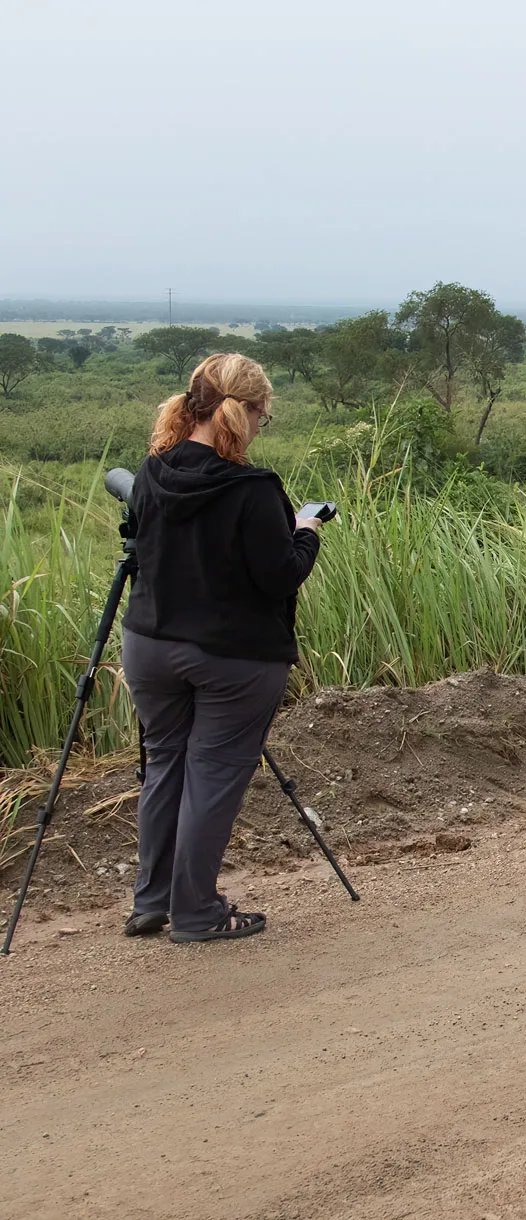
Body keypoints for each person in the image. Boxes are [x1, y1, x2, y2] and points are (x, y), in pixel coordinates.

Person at [121, 353, 324, 943]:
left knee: (165, 766)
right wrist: (306, 533)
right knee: (211, 776)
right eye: (263, 415)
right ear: (247, 412)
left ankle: (152, 902)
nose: (262, 425)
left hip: (150, 645)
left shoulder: (152, 472)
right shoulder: (254, 489)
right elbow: (279, 575)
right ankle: (197, 912)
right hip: (233, 658)